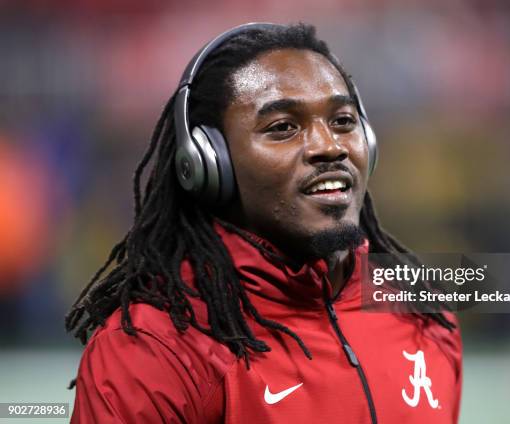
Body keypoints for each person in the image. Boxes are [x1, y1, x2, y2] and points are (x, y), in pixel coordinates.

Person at [66, 22, 462, 423]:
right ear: (209, 163)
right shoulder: (152, 353)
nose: (329, 146)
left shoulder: (424, 317)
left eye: (342, 121)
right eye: (283, 128)